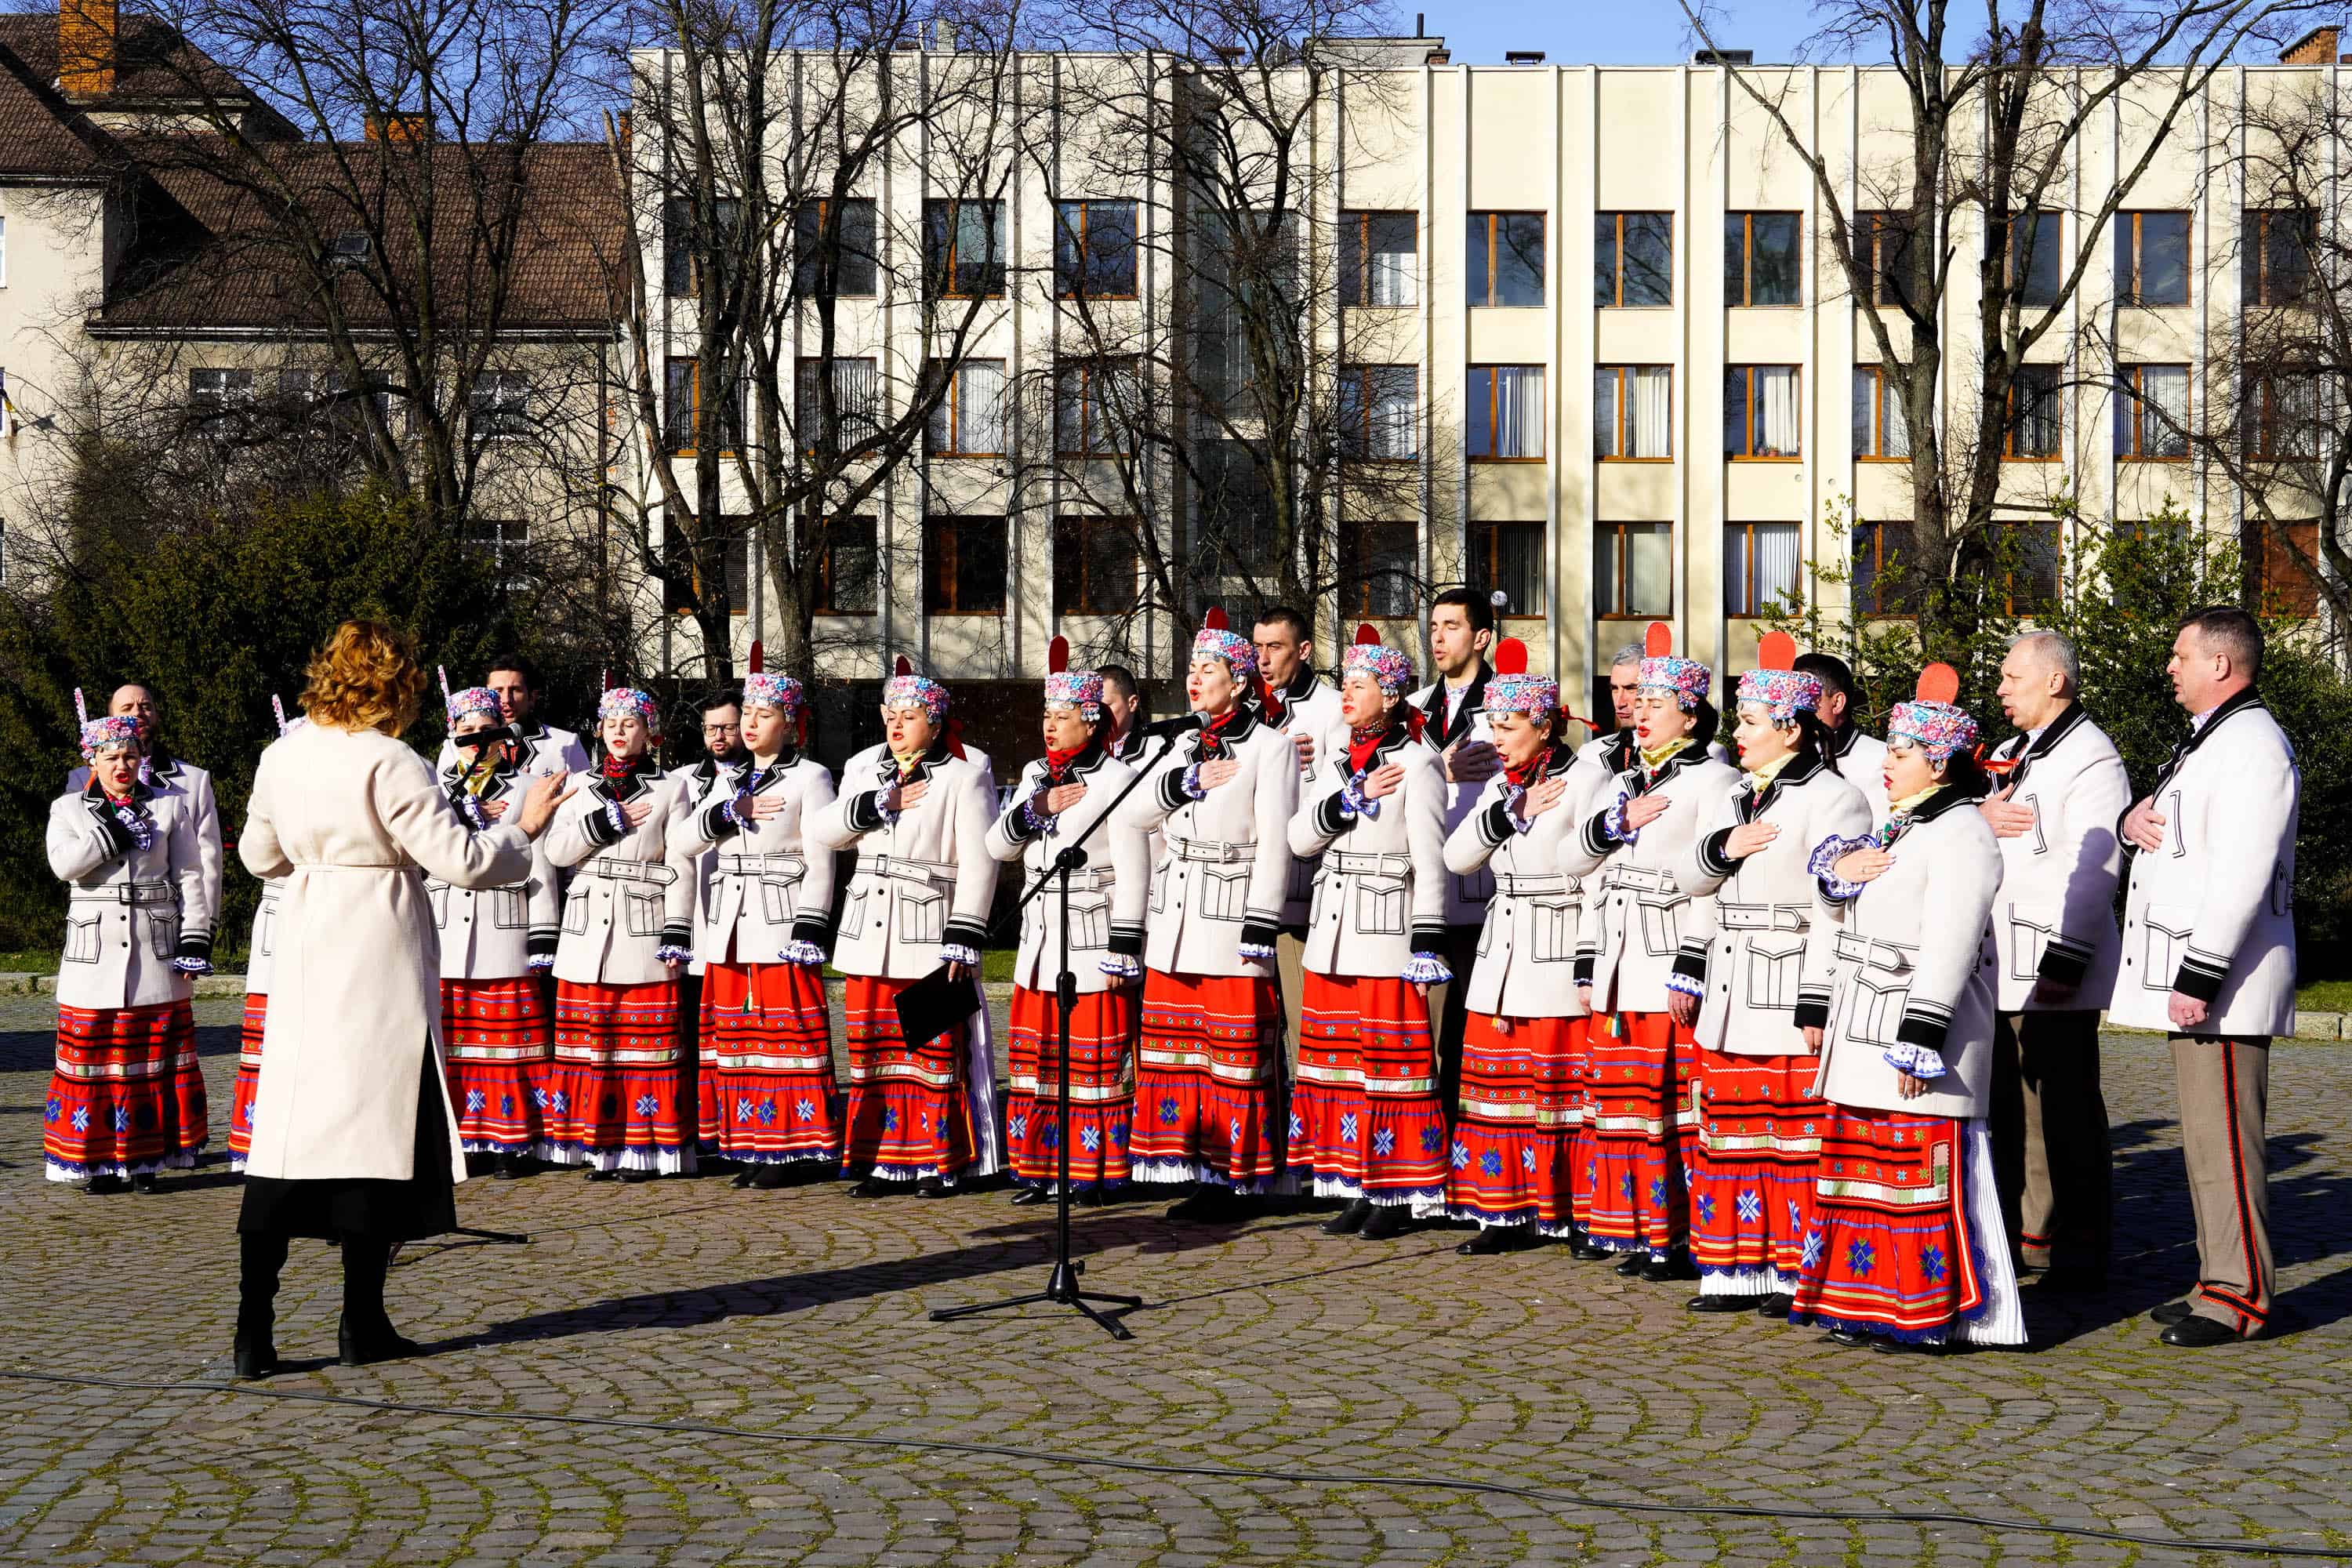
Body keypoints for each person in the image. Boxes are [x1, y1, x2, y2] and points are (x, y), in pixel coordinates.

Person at [234, 620, 567, 1376]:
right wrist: (526, 825)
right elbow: (464, 861)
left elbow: (260, 855)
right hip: (376, 939)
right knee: (374, 1137)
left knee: (287, 1138)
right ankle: (360, 1323)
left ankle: (253, 1334)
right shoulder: (392, 758)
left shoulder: (283, 754)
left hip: (309, 936)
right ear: (393, 686)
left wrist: (320, 858)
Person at [1791, 677, 2024, 1352]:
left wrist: (1922, 1036)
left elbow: (1953, 941)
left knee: (1922, 1173)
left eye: (1901, 751)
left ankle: (1934, 1312)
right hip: (1864, 1013)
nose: (1886, 762)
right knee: (1866, 1170)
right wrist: (1841, 879)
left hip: (1915, 1026)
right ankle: (1868, 1302)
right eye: (1889, 749)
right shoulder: (1901, 822)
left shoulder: (1962, 832)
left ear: (1940, 761)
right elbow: (1847, 914)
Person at [2111, 608, 2299, 1347]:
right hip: (2200, 978)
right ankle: (2214, 1277)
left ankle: (2239, 1295)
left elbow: (2244, 872)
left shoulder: (2251, 744)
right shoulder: (2215, 741)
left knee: (2225, 1137)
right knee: (2204, 1137)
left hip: (2223, 983)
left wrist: (2202, 974)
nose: (2171, 666)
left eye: (2181, 654)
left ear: (2221, 664)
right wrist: (2133, 823)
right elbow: (2180, 834)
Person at [1671, 648, 1871, 1316]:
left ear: (1790, 728)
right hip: (1728, 980)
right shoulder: (1730, 793)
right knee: (1727, 1132)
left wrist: (1819, 994)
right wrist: (1723, 852)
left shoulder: (1837, 797)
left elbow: (1834, 909)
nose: (1737, 732)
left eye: (1750, 721)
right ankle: (1733, 1268)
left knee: (1793, 1139)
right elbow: (1694, 884)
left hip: (1788, 984)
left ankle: (1795, 1273)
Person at [1560, 639, 1740, 1280]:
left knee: (1675, 1111)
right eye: (1639, 701)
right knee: (1625, 1109)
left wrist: (1692, 963)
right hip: (1617, 955)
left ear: (1690, 714)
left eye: (1656, 703)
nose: (1639, 711)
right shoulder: (1622, 779)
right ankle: (1637, 1229)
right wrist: (1613, 824)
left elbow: (1716, 883)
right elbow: (1577, 864)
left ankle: (1686, 1237)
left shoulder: (1718, 780)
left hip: (1668, 959)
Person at [1115, 619, 1301, 1220]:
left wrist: (1261, 923)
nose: (1195, 682)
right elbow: (1134, 813)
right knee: (1182, 1054)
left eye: (1209, 672)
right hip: (1177, 914)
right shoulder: (1180, 745)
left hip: (1230, 910)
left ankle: (1240, 1177)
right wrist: (1183, 781)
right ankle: (1194, 1162)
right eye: (1192, 671)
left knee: (1234, 1053)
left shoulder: (1270, 747)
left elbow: (1275, 843)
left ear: (1240, 681)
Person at [808, 673, 1002, 1197]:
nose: (896, 726)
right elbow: (826, 832)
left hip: (928, 926)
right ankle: (879, 1159)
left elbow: (980, 859)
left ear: (935, 724)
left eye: (908, 717)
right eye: (890, 716)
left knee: (930, 1050)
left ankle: (939, 1160)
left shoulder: (967, 769)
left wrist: (966, 931)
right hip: (868, 926)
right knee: (872, 1052)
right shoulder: (863, 765)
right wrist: (876, 805)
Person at [1286, 636, 1452, 1240]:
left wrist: (1427, 942)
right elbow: (1300, 837)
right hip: (1332, 927)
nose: (1348, 696)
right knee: (1340, 1067)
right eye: (1346, 684)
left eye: (1360, 686)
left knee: (1393, 1066)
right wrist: (1348, 800)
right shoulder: (1335, 761)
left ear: (1390, 695)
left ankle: (1401, 1190)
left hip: (1387, 928)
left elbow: (1431, 860)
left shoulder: (1419, 762)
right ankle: (1353, 1181)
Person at [1438, 661, 1606, 1254]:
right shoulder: (1502, 784)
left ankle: (1575, 1214)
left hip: (1556, 947)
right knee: (1495, 1092)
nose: (1496, 739)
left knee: (1559, 1092)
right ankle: (1502, 1211)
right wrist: (1510, 811)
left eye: (1506, 727)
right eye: (1492, 726)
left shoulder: (1586, 778)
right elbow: (1458, 857)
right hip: (1501, 948)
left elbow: (1595, 880)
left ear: (1542, 725)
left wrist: (1588, 964)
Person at [1980, 631, 2129, 1291]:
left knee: (2065, 1110)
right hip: (2001, 959)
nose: (2002, 689)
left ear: (2054, 683)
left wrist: (2068, 957)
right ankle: (2025, 1235)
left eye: (2013, 678)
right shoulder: (2015, 751)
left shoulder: (2092, 757)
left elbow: (2095, 865)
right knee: (2012, 1110)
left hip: (2050, 960)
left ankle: (2080, 1243)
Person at [985, 661, 1150, 1203]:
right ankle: (1038, 1165)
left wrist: (1125, 946)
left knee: (1090, 1060)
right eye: (1046, 715)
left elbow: (1134, 873)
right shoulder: (1036, 774)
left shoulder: (1118, 781)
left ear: (1090, 720)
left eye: (1062, 716)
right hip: (1038, 939)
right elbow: (997, 847)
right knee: (1039, 1061)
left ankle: (1093, 1170)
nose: (1049, 726)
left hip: (1091, 933)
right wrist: (1034, 810)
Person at [681, 675, 842, 1186]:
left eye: (763, 715)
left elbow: (821, 860)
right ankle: (749, 1143)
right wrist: (728, 812)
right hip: (729, 922)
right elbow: (683, 841)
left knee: (785, 1037)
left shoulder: (811, 777)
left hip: (780, 918)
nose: (750, 724)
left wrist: (810, 926)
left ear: (790, 724)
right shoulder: (726, 779)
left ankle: (797, 1148)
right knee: (737, 1041)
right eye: (747, 714)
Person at [45, 709, 215, 1192]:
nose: (122, 765)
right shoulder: (68, 809)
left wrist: (195, 935)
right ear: (91, 761)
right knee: (93, 1064)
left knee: (151, 1060)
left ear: (143, 759)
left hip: (155, 949)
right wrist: (112, 832)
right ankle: (95, 1163)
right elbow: (65, 866)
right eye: (111, 756)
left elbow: (190, 875)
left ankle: (146, 1162)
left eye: (131, 756)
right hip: (93, 953)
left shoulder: (167, 807)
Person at [540, 688, 700, 1180]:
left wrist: (679, 930)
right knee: (594, 1046)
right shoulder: (580, 785)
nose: (618, 731)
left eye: (630, 723)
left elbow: (681, 861)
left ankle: (646, 1148)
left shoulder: (670, 788)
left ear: (650, 733)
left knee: (643, 1047)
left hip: (642, 919)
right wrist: (601, 823)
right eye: (610, 722)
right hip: (587, 924)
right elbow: (556, 852)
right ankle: (598, 1146)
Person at [431, 687, 561, 1178]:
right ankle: (462, 1138)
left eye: (486, 732)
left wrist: (544, 935)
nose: (476, 741)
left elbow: (541, 864)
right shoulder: (433, 789)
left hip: (504, 924)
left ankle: (513, 1140)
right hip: (446, 929)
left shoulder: (527, 785)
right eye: (466, 733)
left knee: (507, 1042)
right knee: (456, 1043)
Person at [1409, 589, 1503, 1123]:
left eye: (1451, 626)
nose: (1438, 637)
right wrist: (1438, 769)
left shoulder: (1506, 703)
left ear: (1482, 636)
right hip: (1424, 884)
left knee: (1467, 1031)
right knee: (1422, 1028)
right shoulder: (1417, 707)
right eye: (1435, 626)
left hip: (1479, 888)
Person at [66, 683, 223, 978]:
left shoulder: (193, 781)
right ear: (109, 717)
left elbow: (206, 864)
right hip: (100, 932)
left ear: (157, 714)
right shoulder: (79, 781)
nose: (138, 713)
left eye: (146, 706)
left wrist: (200, 935)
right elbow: (71, 857)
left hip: (168, 929)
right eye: (126, 708)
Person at [1254, 607, 1347, 1069]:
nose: (1264, 659)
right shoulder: (1246, 709)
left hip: (1300, 885)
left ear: (1304, 650)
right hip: (1243, 882)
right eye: (1257, 647)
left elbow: (1334, 796)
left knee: (1302, 1020)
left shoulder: (1332, 708)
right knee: (1250, 1030)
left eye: (1275, 647)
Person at [679, 692, 751, 1079]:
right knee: (689, 1021)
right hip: (690, 911)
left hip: (742, 910)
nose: (718, 736)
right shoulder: (682, 780)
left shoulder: (761, 776)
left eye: (727, 727)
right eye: (711, 728)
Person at [434, 653, 589, 779]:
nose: (506, 700)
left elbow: (581, 801)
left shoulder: (564, 743)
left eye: (515, 690)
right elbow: (443, 804)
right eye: (498, 691)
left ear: (532, 697)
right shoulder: (456, 746)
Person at [1794, 652, 1890, 824]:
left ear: (1837, 702)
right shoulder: (1783, 753)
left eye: (1805, 697)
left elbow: (1880, 835)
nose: (1796, 707)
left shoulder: (1880, 760)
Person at [1101, 664, 1149, 764]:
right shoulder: (1081, 749)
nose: (1097, 713)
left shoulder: (1153, 748)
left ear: (1132, 703)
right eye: (1091, 707)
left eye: (1105, 706)